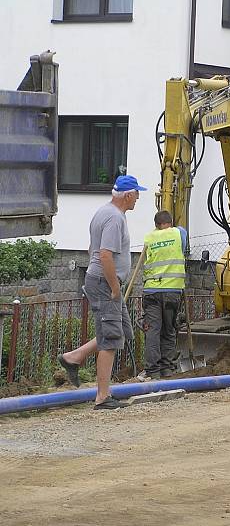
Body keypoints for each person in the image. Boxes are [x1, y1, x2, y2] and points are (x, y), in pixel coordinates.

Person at [58, 175, 145, 410]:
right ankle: (102, 397)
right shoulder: (115, 218)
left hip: (105, 280)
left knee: (122, 331)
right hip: (106, 283)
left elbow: (92, 249)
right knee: (111, 338)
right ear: (128, 195)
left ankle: (74, 357)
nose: (138, 198)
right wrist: (114, 286)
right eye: (137, 193)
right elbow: (105, 254)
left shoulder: (104, 212)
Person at [138, 210, 188, 381]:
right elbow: (182, 231)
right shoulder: (179, 233)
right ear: (170, 222)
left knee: (152, 331)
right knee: (169, 330)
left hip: (152, 291)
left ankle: (152, 371)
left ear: (156, 225)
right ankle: (167, 369)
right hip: (172, 292)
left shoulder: (149, 238)